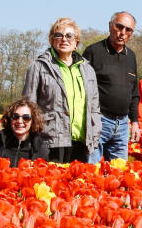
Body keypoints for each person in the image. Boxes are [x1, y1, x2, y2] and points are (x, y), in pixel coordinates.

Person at [22, 17, 101, 163]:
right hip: (50, 140)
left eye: (69, 36)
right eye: (59, 35)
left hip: (81, 139)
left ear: (76, 42)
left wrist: (95, 132)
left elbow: (94, 106)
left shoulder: (88, 69)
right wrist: (31, 137)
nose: (64, 39)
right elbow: (28, 105)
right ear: (52, 40)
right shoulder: (38, 67)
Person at [83, 12, 141, 161]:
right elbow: (82, 88)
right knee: (92, 173)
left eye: (128, 30)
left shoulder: (131, 56)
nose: (122, 33)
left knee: (119, 176)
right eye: (119, 26)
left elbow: (134, 92)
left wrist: (134, 122)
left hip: (122, 124)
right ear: (110, 26)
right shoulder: (93, 52)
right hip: (99, 121)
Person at [0, 99, 49, 167]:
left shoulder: (40, 149)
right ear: (9, 119)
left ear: (33, 121)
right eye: (15, 116)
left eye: (26, 117)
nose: (19, 121)